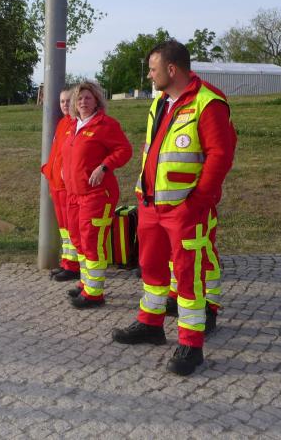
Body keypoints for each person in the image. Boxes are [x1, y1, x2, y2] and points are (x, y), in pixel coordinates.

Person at [112, 40, 236, 376]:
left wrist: (198, 202)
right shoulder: (160, 102)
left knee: (187, 275)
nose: (149, 76)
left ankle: (191, 345)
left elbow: (220, 156)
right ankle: (150, 324)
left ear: (171, 69)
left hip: (185, 208)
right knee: (152, 268)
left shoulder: (208, 102)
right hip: (151, 204)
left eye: (153, 69)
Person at [61, 81, 132, 309]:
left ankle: (94, 293)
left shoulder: (105, 124)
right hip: (74, 194)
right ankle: (85, 283)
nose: (83, 102)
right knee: (78, 240)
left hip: (97, 194)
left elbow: (124, 150)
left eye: (88, 98)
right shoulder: (73, 126)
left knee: (92, 241)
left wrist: (104, 166)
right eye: (79, 98)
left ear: (96, 101)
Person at [41, 87, 81, 281]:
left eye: (68, 100)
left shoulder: (77, 124)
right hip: (56, 184)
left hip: (67, 187)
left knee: (72, 228)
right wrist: (49, 172)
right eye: (62, 101)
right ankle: (67, 262)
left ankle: (74, 266)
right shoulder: (62, 123)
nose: (65, 104)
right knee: (64, 229)